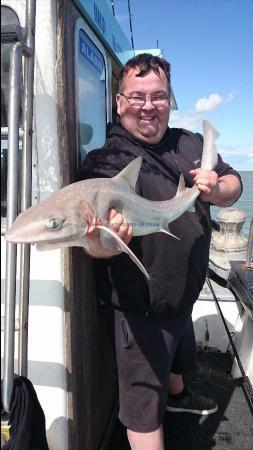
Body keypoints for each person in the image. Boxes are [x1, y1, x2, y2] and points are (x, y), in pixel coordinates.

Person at [79, 53, 242, 450]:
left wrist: (218, 189)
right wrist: (104, 239)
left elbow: (233, 182)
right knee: (142, 411)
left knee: (180, 356)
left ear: (170, 99)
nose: (148, 106)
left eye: (159, 96)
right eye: (137, 97)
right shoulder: (105, 164)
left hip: (187, 290)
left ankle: (180, 398)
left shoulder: (189, 142)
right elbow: (96, 249)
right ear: (119, 102)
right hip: (144, 308)